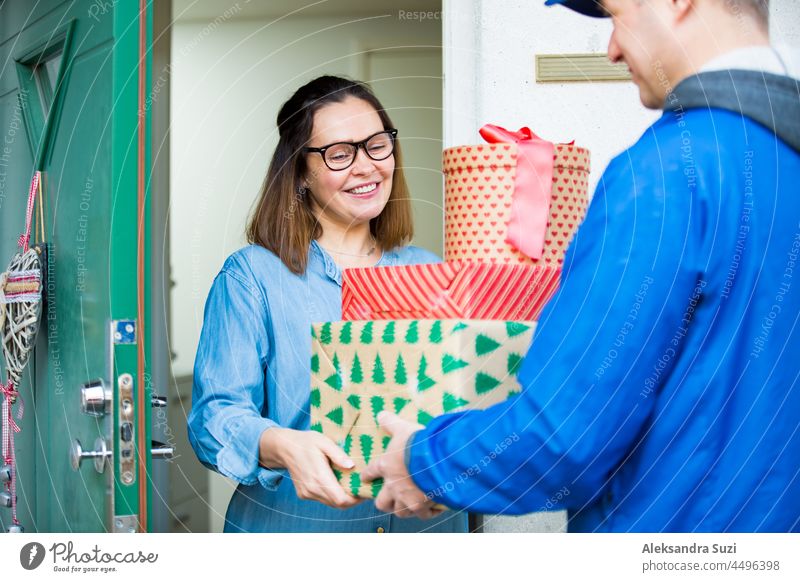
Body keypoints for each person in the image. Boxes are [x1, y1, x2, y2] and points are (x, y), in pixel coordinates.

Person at [364, 0, 800, 531]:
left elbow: (563, 437)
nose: (613, 48)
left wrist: (422, 462)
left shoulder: (665, 174)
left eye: (617, 15)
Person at [188, 75, 467, 533]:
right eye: (339, 154)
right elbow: (212, 419)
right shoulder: (252, 277)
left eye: (377, 145)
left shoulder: (431, 273)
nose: (366, 167)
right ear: (300, 172)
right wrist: (280, 444)